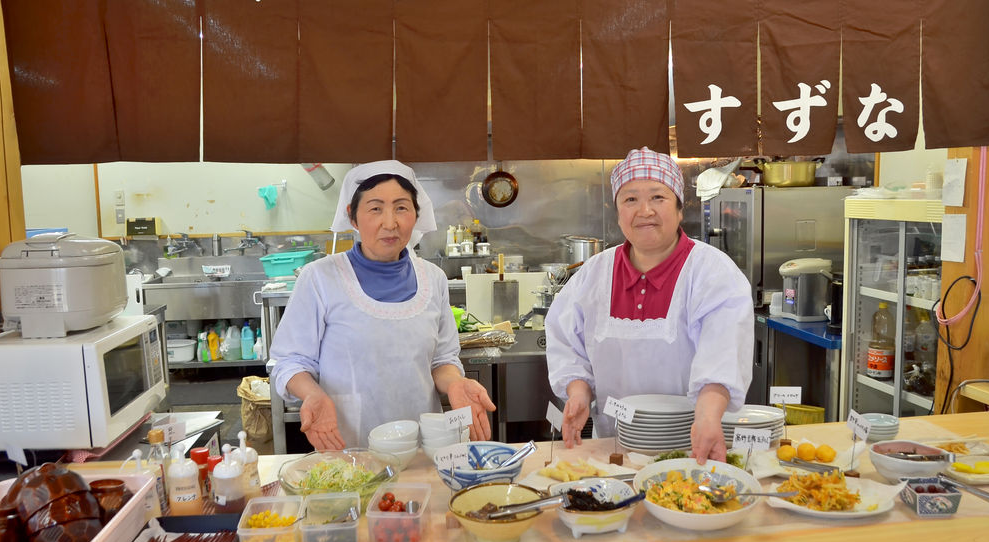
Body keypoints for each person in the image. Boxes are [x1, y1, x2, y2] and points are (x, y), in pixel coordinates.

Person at [544, 147, 752, 463]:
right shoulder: (594, 274)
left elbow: (723, 353)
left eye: (658, 197)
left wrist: (709, 417)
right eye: (630, 199)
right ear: (617, 212)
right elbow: (566, 342)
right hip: (614, 450)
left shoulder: (711, 271)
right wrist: (578, 394)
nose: (644, 210)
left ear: (680, 209)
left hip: (694, 446)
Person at [269, 160, 496, 450]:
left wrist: (455, 384)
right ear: (353, 216)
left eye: (401, 207)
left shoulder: (433, 279)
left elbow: (442, 360)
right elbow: (290, 362)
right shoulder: (320, 278)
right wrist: (312, 394)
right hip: (347, 446)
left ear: (416, 214)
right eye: (375, 208)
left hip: (421, 447)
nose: (390, 223)